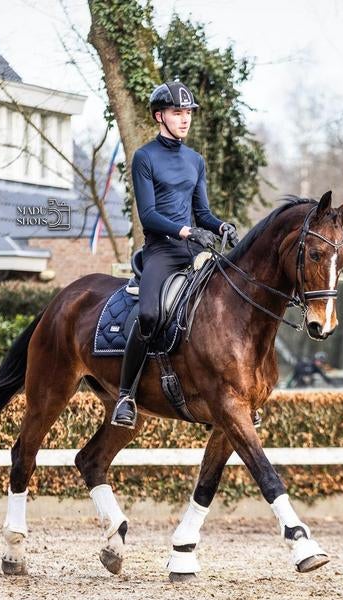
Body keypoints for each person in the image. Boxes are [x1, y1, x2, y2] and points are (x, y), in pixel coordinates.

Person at [110, 79, 237, 429]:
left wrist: (220, 225)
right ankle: (125, 395)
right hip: (162, 251)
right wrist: (183, 230)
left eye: (188, 113)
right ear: (159, 116)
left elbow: (203, 213)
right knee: (150, 314)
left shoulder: (195, 161)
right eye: (177, 113)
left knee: (227, 304)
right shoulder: (144, 158)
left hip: (194, 248)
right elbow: (147, 214)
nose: (185, 119)